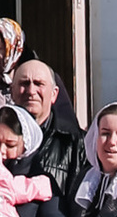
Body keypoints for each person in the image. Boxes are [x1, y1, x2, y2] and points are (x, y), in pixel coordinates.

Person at [6, 58, 85, 199]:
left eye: (38, 84)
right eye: (24, 83)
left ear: (54, 94)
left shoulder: (76, 143)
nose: (31, 91)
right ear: (12, 92)